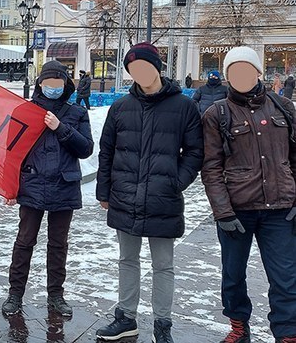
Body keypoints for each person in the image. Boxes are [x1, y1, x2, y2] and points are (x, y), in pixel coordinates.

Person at [95, 42, 204, 343]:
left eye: (144, 66)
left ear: (157, 67)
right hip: (125, 196)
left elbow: (195, 151)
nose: (140, 73)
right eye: (133, 69)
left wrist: (175, 181)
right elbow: (107, 151)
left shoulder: (184, 106)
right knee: (127, 260)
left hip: (163, 197)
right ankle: (126, 318)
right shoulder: (120, 107)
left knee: (163, 264)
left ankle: (162, 324)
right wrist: (104, 191)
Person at [200, 46, 296, 343]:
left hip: (280, 209)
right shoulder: (217, 114)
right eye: (234, 71)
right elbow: (211, 167)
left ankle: (288, 333)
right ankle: (239, 326)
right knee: (233, 275)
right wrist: (222, 212)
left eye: (246, 69)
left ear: (258, 72)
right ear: (227, 76)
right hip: (237, 210)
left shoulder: (284, 107)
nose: (240, 76)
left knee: (286, 277)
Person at [1, 60, 93, 318]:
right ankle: (15, 294)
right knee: (24, 241)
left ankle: (56, 296)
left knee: (58, 245)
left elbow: (86, 149)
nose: (53, 87)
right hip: (32, 185)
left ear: (66, 85)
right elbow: (12, 153)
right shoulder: (24, 112)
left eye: (58, 83)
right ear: (40, 84)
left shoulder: (77, 113)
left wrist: (61, 128)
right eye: (48, 83)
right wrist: (10, 187)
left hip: (64, 186)